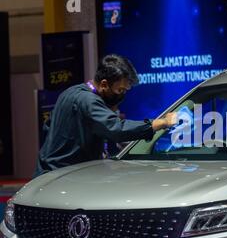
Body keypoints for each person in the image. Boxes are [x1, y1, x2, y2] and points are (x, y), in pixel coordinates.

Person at [34, 54, 177, 177]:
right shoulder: (89, 101)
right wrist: (162, 122)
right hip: (63, 176)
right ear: (104, 85)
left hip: (49, 173)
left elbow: (48, 127)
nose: (122, 95)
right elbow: (116, 129)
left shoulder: (71, 92)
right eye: (120, 90)